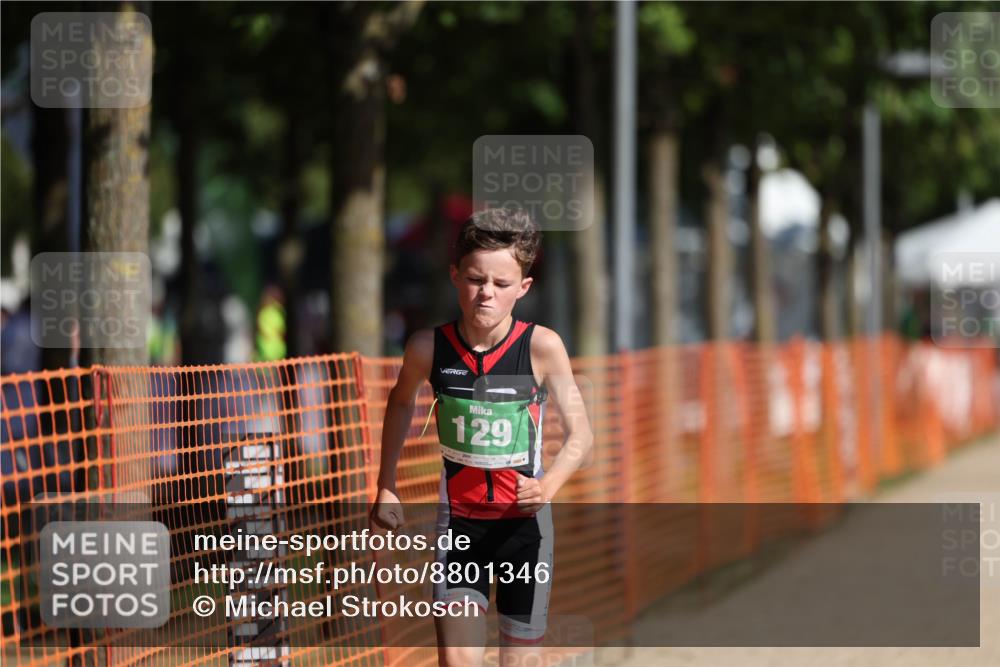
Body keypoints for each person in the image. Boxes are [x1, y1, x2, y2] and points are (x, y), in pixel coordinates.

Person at [370, 208, 594, 666]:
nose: (486, 293)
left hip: (525, 530)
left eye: (502, 284)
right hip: (460, 525)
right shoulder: (427, 348)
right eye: (475, 280)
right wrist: (386, 483)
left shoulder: (542, 347)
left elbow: (581, 435)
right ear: (455, 276)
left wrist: (547, 487)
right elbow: (399, 403)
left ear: (523, 288)